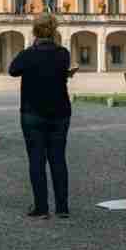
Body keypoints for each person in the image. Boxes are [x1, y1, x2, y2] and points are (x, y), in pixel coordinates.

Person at [9, 14, 77, 219]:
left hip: (33, 112)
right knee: (58, 159)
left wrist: (32, 47)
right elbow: (57, 72)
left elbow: (13, 70)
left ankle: (41, 207)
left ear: (35, 31)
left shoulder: (28, 54)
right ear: (54, 30)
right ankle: (62, 207)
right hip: (59, 112)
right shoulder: (63, 54)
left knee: (37, 160)